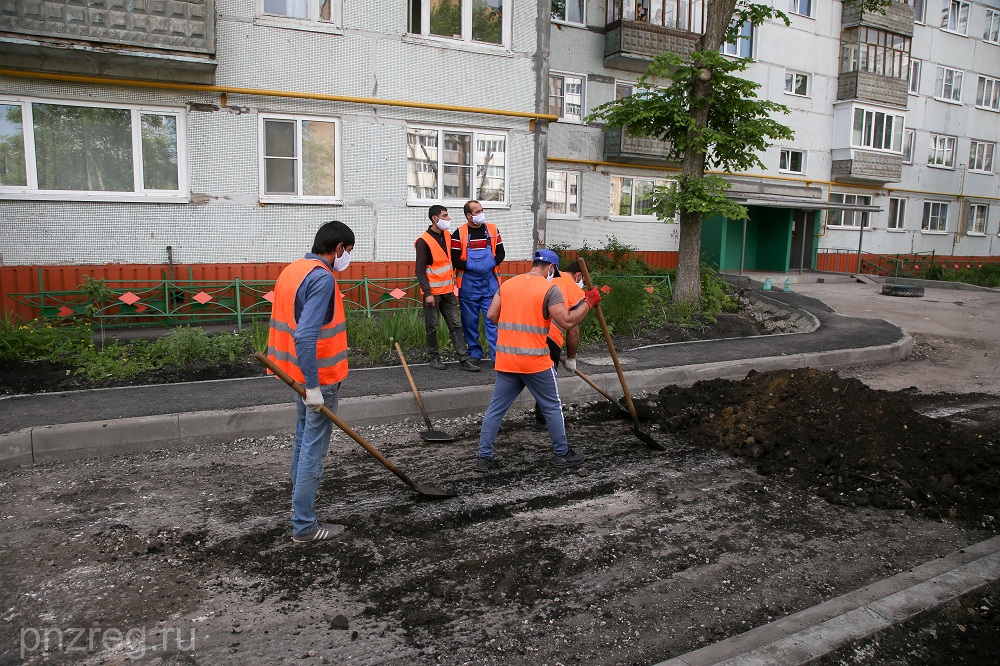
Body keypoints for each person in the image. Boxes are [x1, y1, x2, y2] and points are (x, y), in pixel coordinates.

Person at [475, 249, 602, 473]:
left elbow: (493, 315)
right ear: (551, 268)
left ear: (535, 264)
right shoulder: (550, 289)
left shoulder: (508, 284)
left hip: (507, 360)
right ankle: (562, 454)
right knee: (552, 407)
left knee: (496, 409)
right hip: (535, 362)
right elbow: (568, 321)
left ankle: (484, 458)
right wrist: (589, 302)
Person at [267, 220, 355, 544]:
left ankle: (297, 501)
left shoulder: (293, 269)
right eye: (348, 252)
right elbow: (305, 336)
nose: (348, 259)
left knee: (302, 439)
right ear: (339, 249)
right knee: (313, 449)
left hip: (296, 374)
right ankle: (304, 525)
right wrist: (316, 387)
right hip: (320, 378)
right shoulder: (322, 278)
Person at [414, 205, 480, 372]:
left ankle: (463, 359)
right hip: (433, 294)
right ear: (435, 219)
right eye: (445, 215)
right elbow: (420, 269)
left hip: (448, 291)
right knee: (432, 327)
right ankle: (434, 358)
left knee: (456, 325)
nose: (448, 218)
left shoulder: (447, 236)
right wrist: (427, 293)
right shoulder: (424, 241)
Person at [532, 259, 587, 431]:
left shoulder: (541, 277)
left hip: (523, 336)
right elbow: (573, 329)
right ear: (579, 275)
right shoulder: (569, 284)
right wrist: (571, 358)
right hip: (549, 339)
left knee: (513, 383)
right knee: (548, 384)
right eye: (583, 280)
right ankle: (546, 424)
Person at [453, 200, 504, 365]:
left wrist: (491, 263)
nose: (481, 213)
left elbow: (501, 252)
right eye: (477, 211)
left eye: (482, 210)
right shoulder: (458, 233)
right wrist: (471, 266)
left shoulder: (493, 229)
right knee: (469, 322)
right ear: (468, 216)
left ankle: (498, 356)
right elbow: (454, 259)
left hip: (490, 284)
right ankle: (474, 353)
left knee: (493, 320)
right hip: (468, 285)